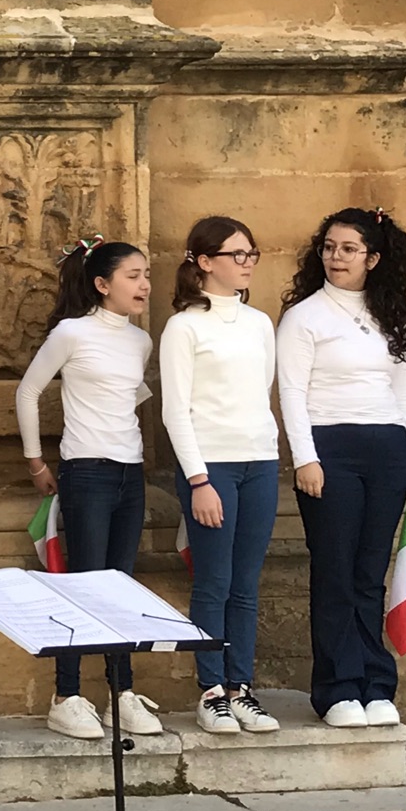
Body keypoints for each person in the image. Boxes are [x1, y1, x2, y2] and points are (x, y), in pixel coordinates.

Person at [278, 207, 406, 729]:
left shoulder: (389, 315)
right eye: (329, 247)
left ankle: (375, 683)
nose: (336, 257)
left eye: (348, 249)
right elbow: (291, 392)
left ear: (373, 258)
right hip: (330, 447)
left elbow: (403, 389)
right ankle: (338, 687)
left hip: (386, 447)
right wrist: (306, 458)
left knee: (370, 573)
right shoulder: (304, 317)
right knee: (336, 570)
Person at [15, 238, 165, 741]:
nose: (143, 284)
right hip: (87, 471)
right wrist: (36, 461)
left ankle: (120, 693)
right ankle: (67, 694)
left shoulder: (140, 341)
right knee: (82, 584)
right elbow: (29, 390)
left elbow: (131, 395)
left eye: (146, 274)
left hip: (130, 471)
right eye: (132, 275)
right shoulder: (71, 333)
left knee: (120, 587)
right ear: (102, 284)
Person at [161, 216, 282, 735]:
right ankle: (211, 690)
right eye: (237, 254)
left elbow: (263, 392)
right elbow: (175, 410)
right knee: (213, 581)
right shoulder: (183, 326)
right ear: (205, 262)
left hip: (260, 462)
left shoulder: (260, 324)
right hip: (212, 468)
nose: (247, 262)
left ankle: (241, 688)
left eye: (252, 253)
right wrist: (198, 479)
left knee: (247, 584)